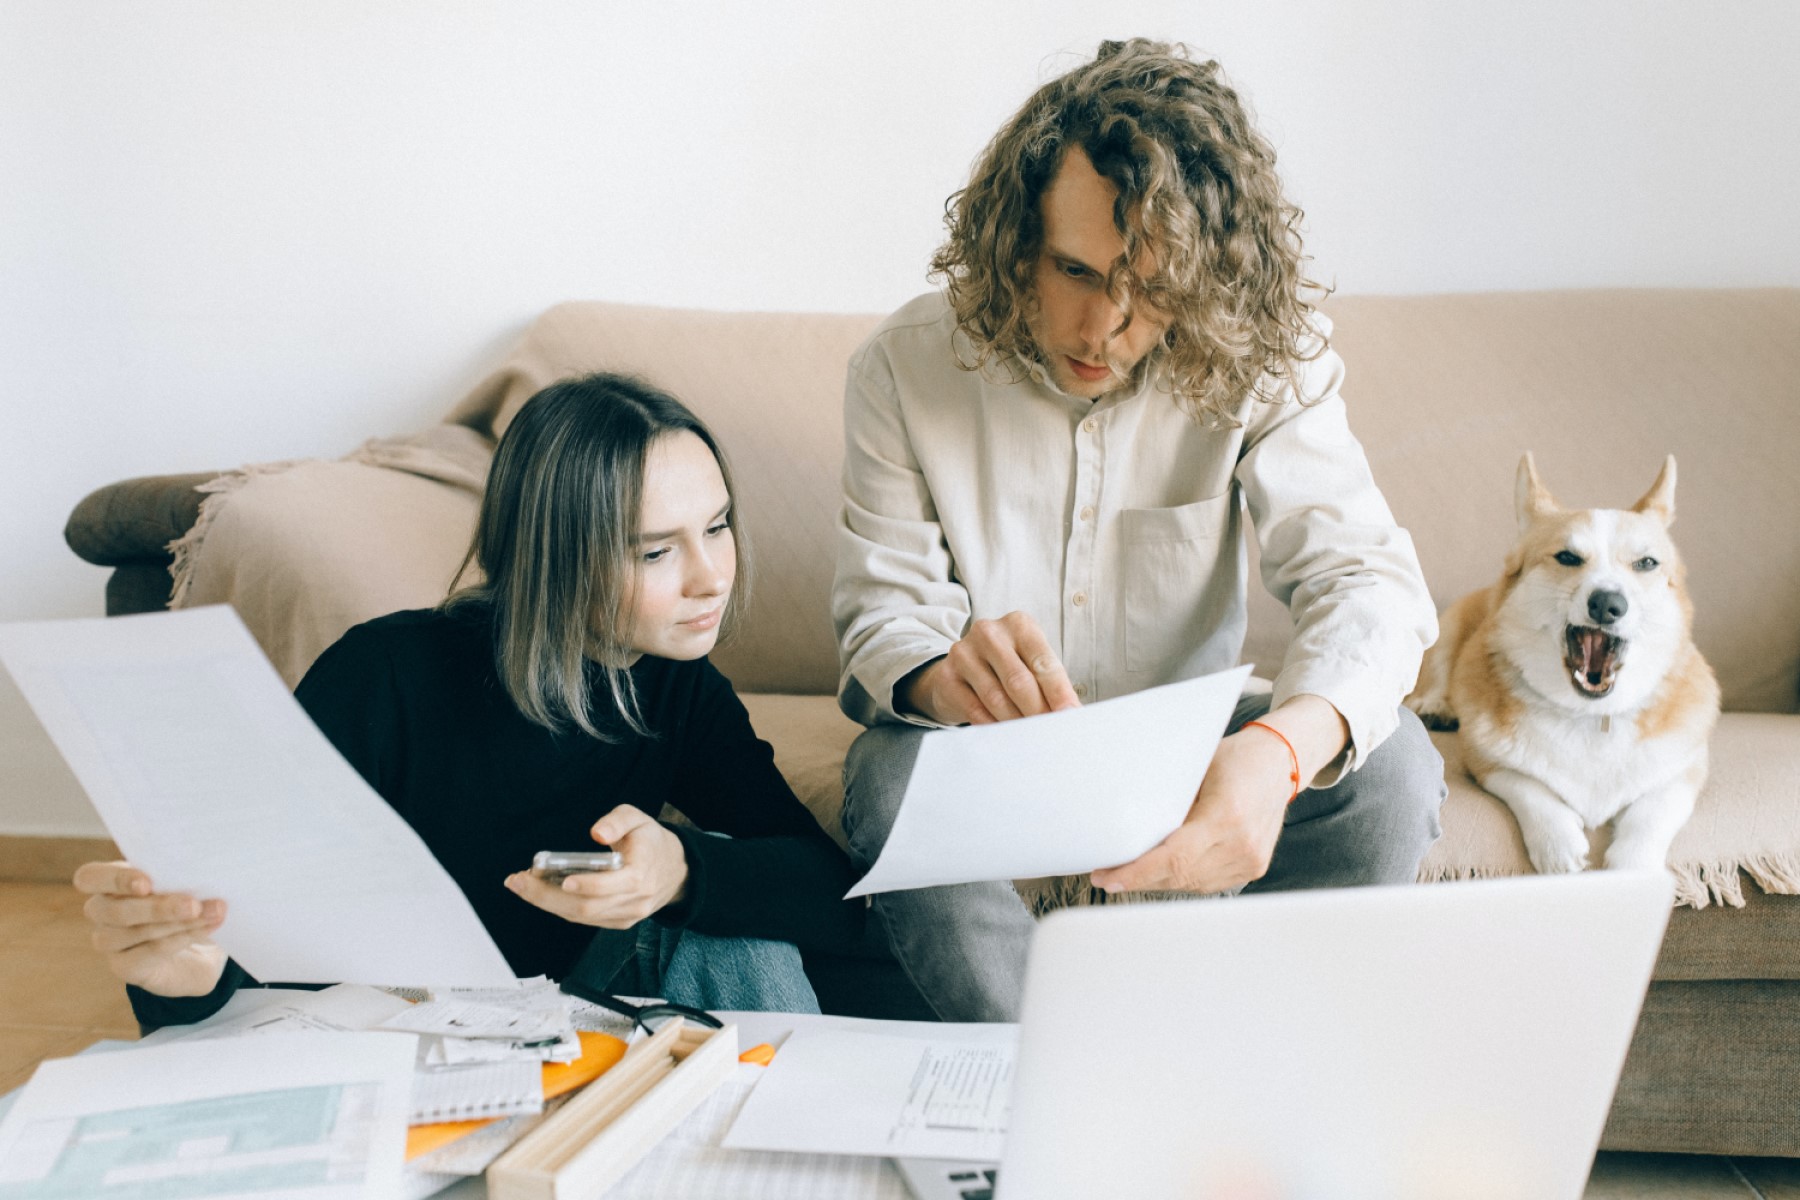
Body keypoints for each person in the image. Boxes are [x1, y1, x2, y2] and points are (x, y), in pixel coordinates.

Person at [833, 39, 1447, 1022]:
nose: (1103, 327)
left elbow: (1366, 582)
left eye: (1151, 288)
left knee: (1397, 770)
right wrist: (939, 676)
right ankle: (1044, 1077)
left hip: (1191, 747)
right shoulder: (903, 369)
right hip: (991, 759)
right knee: (886, 778)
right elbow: (882, 611)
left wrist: (1280, 755)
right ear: (1014, 240)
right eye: (1076, 269)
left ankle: (1243, 1056)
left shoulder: (1268, 360)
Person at [76, 372, 863, 1027]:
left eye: (718, 527)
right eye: (656, 550)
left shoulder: (671, 683)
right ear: (554, 556)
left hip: (565, 1016)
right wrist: (178, 974)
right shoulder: (384, 676)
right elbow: (237, 946)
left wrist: (681, 869)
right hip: (388, 1023)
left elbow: (834, 900)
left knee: (738, 934)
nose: (712, 576)